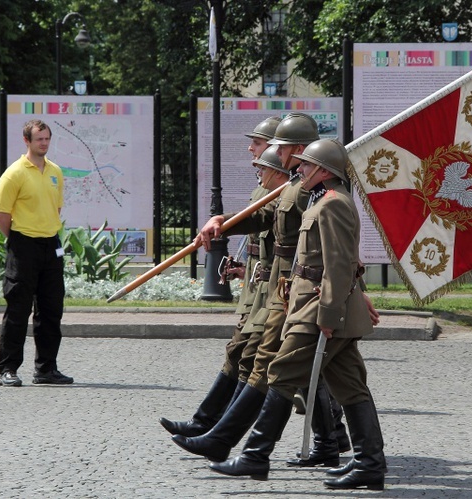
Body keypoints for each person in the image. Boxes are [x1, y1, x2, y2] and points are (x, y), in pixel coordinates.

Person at [171, 113, 352, 467]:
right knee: (289, 369)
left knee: (273, 367)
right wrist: (221, 223)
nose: (274, 155)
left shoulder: (315, 192)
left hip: (295, 292)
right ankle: (329, 441)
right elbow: (264, 217)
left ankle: (228, 441)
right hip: (285, 289)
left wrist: (345, 295)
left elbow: (336, 251)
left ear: (299, 149)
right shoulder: (297, 187)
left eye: (281, 149)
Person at [206, 138, 387, 490]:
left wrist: (328, 316)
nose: (299, 168)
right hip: (316, 306)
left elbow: (338, 265)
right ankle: (369, 464)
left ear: (323, 170)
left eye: (305, 164)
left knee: (282, 372)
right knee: (350, 386)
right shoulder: (323, 200)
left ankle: (255, 456)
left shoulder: (332, 204)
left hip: (319, 309)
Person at [159, 116, 281, 436]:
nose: (250, 147)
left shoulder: (290, 191)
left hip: (275, 292)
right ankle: (210, 425)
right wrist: (245, 269)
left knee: (264, 362)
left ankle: (215, 430)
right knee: (242, 354)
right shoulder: (265, 186)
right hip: (258, 286)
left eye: (257, 142)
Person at [0, 119, 73, 386]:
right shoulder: (14, 173)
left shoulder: (56, 172)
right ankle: (8, 369)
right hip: (23, 245)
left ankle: (46, 369)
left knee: (51, 309)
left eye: (47, 138)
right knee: (18, 309)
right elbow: (1, 215)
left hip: (51, 245)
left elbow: (56, 209)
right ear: (26, 141)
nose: (44, 143)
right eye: (39, 139)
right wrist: (18, 241)